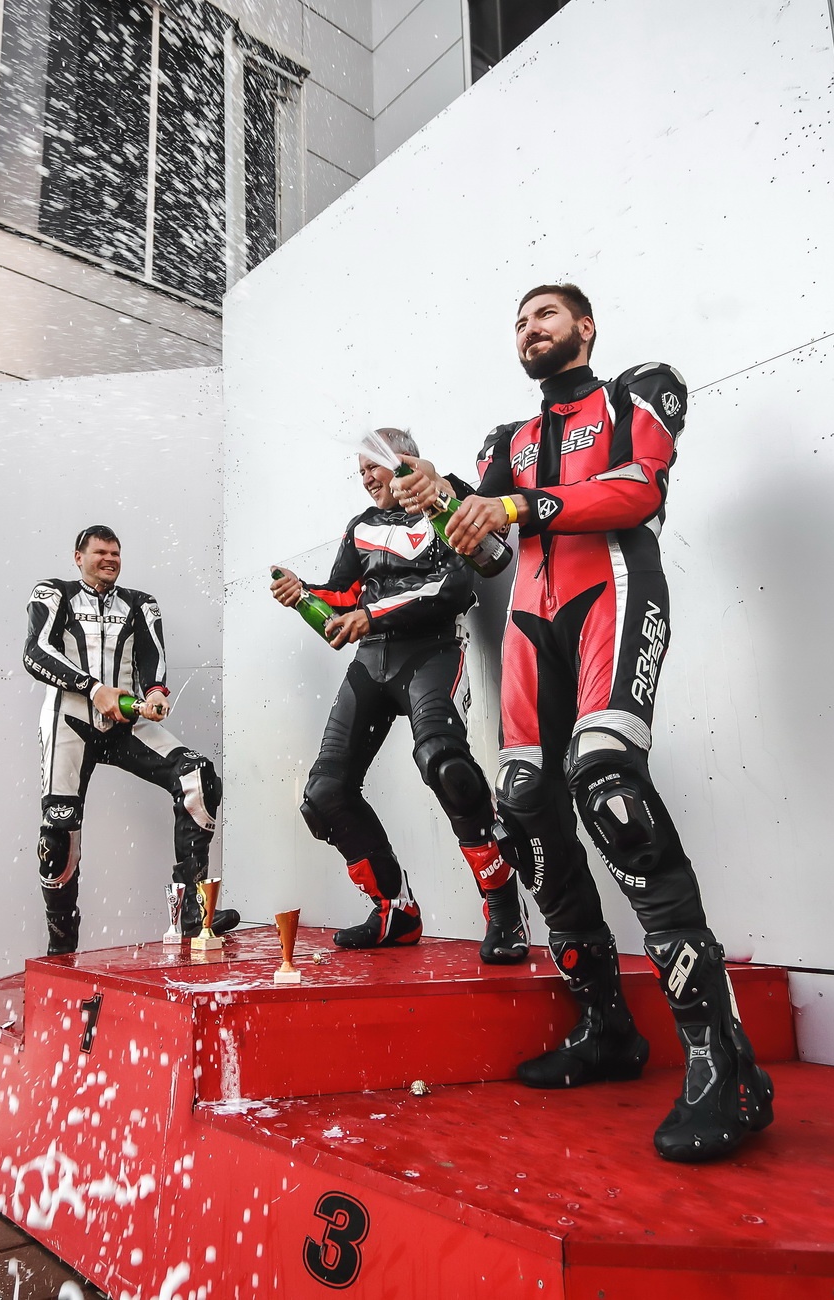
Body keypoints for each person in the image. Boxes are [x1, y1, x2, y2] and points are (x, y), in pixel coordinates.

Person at [391, 285, 772, 1164]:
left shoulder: (640, 389)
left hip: (616, 593)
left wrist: (517, 507)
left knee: (607, 786)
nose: (531, 328)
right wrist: (444, 500)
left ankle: (725, 1063)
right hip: (531, 621)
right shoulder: (505, 442)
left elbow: (637, 491)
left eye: (546, 315)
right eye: (520, 321)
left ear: (585, 327)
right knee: (524, 800)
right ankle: (605, 1026)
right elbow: (490, 551)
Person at [270, 430, 529, 964]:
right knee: (324, 794)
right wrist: (303, 594)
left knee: (447, 767)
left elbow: (454, 587)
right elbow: (343, 596)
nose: (367, 478)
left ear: (402, 459)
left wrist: (371, 614)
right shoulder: (360, 526)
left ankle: (504, 905)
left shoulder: (445, 497)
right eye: (360, 471)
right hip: (371, 662)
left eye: (375, 466)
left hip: (431, 653)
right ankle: (395, 910)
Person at [22, 525, 238, 956]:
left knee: (197, 776)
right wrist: (93, 689)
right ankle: (61, 949)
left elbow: (152, 656)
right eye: (100, 552)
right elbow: (35, 652)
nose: (109, 559)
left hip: (125, 722)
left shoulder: (140, 602)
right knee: (59, 837)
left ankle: (192, 915)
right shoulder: (54, 593)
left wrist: (156, 693)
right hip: (70, 722)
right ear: (78, 557)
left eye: (115, 553)